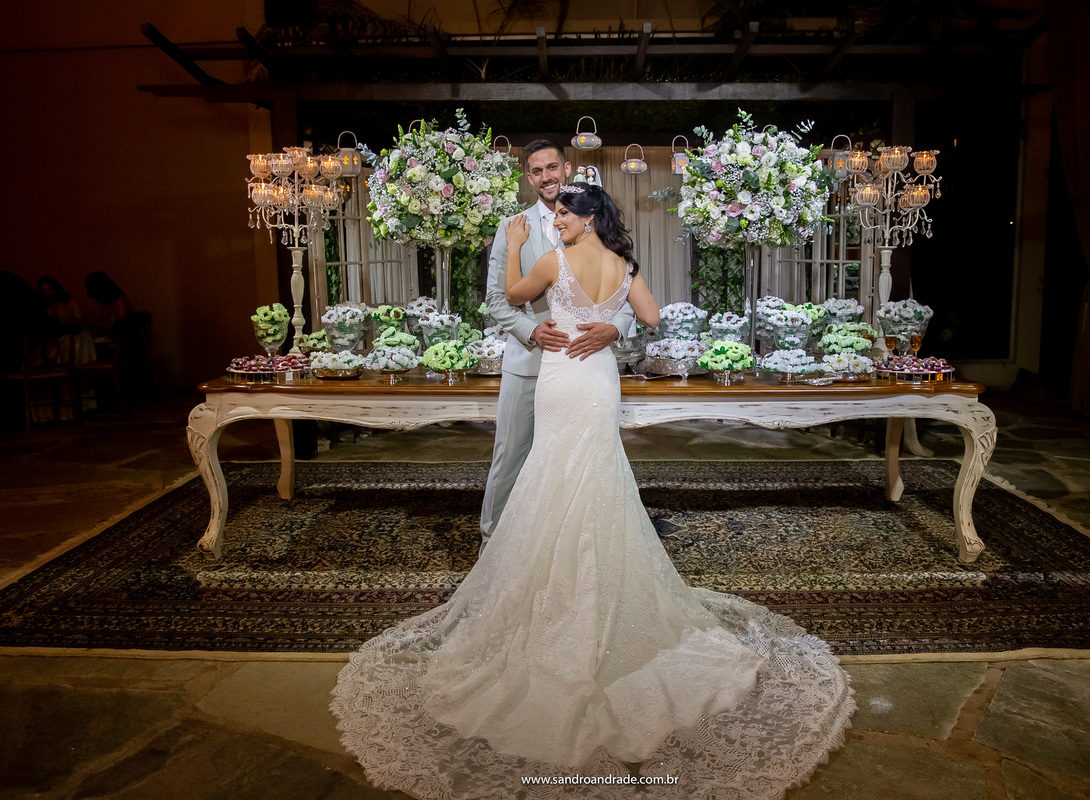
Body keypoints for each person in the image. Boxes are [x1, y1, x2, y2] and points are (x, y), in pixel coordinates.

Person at [332, 184, 855, 799]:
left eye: (563, 212)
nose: (554, 218)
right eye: (553, 212)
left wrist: (524, 251)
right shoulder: (625, 264)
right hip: (599, 380)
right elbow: (653, 318)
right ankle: (594, 588)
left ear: (586, 218)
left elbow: (510, 297)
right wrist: (608, 324)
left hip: (562, 377)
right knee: (596, 474)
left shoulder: (551, 257)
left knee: (554, 472)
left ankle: (559, 598)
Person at [478, 141, 633, 551]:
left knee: (582, 463)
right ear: (528, 177)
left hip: (584, 365)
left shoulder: (594, 216)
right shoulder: (512, 227)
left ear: (566, 169)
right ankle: (494, 549)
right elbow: (497, 298)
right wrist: (532, 330)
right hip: (529, 362)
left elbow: (628, 292)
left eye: (551, 167)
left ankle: (570, 553)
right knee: (511, 458)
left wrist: (614, 329)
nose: (545, 177)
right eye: (536, 171)